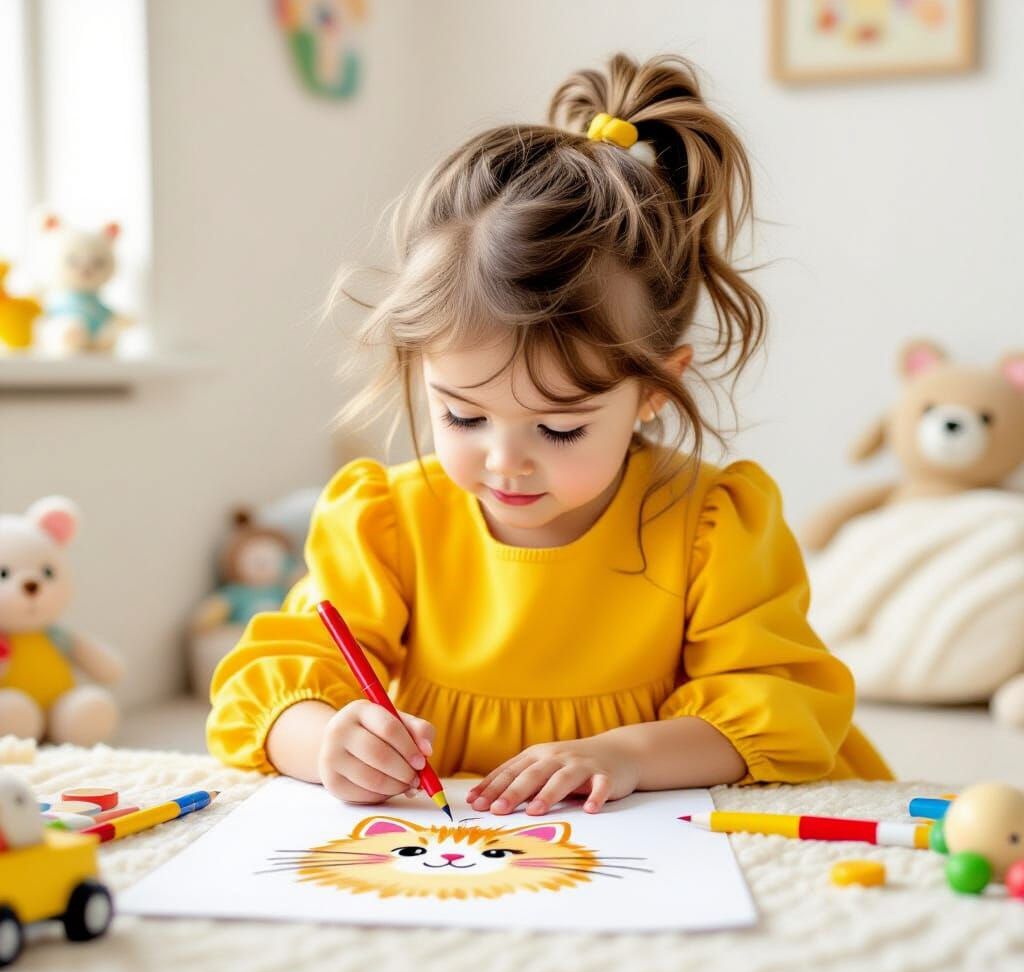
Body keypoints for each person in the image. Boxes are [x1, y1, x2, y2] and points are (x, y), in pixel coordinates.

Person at [208, 53, 891, 817]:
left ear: (653, 392)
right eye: (463, 415)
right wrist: (327, 739)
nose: (505, 462)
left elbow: (782, 711)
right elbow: (268, 689)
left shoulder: (709, 524)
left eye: (561, 427)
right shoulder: (386, 524)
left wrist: (628, 753)